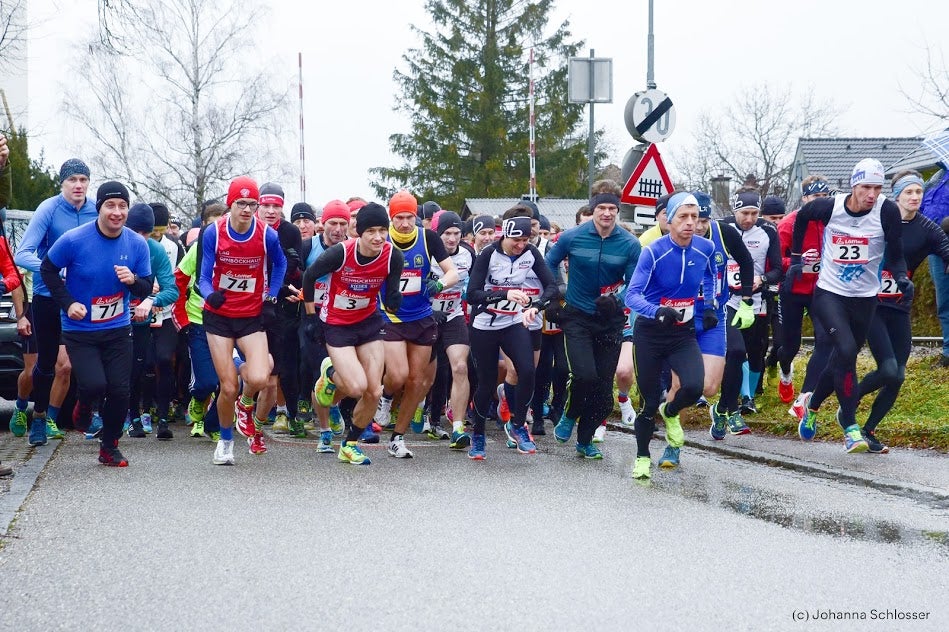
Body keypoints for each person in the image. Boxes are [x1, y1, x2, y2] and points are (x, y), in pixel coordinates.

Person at [790, 159, 910, 453]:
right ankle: (851, 428)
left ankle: (813, 406)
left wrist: (901, 278)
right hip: (830, 293)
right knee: (844, 350)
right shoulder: (830, 207)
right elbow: (802, 217)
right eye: (866, 187)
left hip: (865, 298)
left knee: (842, 360)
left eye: (877, 187)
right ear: (853, 185)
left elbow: (895, 255)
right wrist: (795, 259)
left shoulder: (887, 211)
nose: (872, 193)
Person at [40, 181, 153, 466]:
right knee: (94, 385)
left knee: (119, 390)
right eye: (110, 206)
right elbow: (48, 270)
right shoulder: (74, 239)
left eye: (123, 206)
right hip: (81, 330)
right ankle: (83, 405)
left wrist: (134, 281)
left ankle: (109, 446)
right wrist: (68, 303)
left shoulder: (137, 243)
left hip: (117, 328)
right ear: (99, 208)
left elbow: (146, 287)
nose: (117, 212)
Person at [303, 202, 404, 465]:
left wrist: (394, 297)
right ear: (358, 232)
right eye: (371, 230)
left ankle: (349, 444)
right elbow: (310, 276)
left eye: (383, 229)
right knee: (357, 387)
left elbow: (391, 293)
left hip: (369, 323)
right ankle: (330, 375)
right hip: (337, 324)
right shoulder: (341, 253)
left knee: (374, 390)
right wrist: (311, 316)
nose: (378, 237)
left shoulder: (393, 255)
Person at [547, 180, 641, 458]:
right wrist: (555, 294)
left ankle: (585, 440)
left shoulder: (629, 244)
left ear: (618, 210)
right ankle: (569, 414)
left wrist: (617, 301)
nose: (607, 213)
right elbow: (549, 262)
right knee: (585, 375)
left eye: (613, 208)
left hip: (609, 320)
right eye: (602, 207)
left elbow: (634, 282)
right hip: (577, 316)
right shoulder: (572, 237)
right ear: (593, 208)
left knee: (602, 391)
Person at [625, 192, 717, 479]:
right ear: (670, 220)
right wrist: (656, 311)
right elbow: (632, 296)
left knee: (694, 386)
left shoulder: (706, 247)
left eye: (696, 218)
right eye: (684, 217)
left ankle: (672, 411)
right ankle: (642, 456)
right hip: (651, 334)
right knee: (649, 400)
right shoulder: (653, 251)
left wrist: (710, 304)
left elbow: (711, 275)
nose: (691, 223)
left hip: (682, 332)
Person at [856, 170, 949, 452]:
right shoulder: (876, 220)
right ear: (896, 195)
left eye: (919, 192)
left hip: (899, 308)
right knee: (887, 369)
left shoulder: (927, 228)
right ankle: (850, 401)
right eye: (909, 192)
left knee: (897, 376)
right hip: (871, 306)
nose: (915, 197)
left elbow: (946, 251)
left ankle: (868, 430)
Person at [198, 176, 287, 465]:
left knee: (261, 376)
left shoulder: (266, 235)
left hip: (250, 316)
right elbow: (202, 275)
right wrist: (210, 295)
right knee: (227, 387)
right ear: (230, 204)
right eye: (241, 204)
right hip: (220, 317)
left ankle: (245, 404)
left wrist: (271, 297)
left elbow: (281, 264)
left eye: (252, 204)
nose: (247, 210)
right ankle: (225, 442)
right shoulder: (214, 232)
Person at [15, 159, 97, 444]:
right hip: (49, 297)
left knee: (87, 358)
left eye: (83, 180)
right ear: (62, 183)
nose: (78, 185)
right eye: (72, 179)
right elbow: (22, 254)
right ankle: (37, 417)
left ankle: (88, 412)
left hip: (84, 299)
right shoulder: (48, 209)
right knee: (47, 362)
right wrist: (54, 268)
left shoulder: (96, 210)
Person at [372, 190, 459, 459]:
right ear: (391, 218)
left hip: (421, 316)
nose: (406, 223)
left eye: (410, 217)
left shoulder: (428, 237)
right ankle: (385, 398)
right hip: (391, 316)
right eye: (399, 218)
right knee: (397, 375)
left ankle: (397, 438)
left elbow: (453, 272)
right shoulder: (381, 239)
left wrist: (439, 284)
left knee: (416, 381)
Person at [465, 215, 558, 459]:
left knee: (528, 371)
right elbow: (471, 295)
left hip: (513, 322)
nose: (521, 245)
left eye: (526, 240)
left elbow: (552, 287)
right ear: (505, 235)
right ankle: (478, 434)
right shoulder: (488, 255)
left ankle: (518, 425)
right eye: (516, 240)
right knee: (485, 383)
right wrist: (505, 293)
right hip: (484, 324)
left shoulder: (531, 254)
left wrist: (535, 306)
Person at [710, 191, 783, 432]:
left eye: (754, 213)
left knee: (754, 350)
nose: (749, 219)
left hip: (754, 299)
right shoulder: (722, 228)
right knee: (736, 350)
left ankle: (744, 398)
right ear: (735, 210)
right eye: (744, 213)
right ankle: (730, 406)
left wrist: (761, 279)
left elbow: (778, 270)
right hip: (726, 299)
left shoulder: (768, 231)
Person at [291, 199, 352, 450]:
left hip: (342, 317)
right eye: (332, 223)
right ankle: (325, 431)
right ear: (321, 225)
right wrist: (310, 316)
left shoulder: (353, 248)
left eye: (342, 223)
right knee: (321, 372)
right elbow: (298, 277)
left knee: (348, 373)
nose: (337, 228)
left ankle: (335, 405)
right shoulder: (308, 247)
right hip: (312, 314)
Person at [170, 202, 228, 440]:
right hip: (199, 322)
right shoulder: (198, 250)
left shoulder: (240, 249)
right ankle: (197, 398)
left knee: (230, 381)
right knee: (206, 382)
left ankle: (214, 424)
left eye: (221, 223)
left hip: (230, 324)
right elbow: (179, 281)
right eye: (211, 224)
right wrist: (182, 319)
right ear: (203, 226)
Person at [776, 176, 832, 411]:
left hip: (822, 290)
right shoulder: (789, 223)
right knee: (791, 346)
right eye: (814, 197)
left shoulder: (833, 221)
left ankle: (805, 397)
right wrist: (797, 262)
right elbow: (776, 261)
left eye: (823, 197)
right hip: (793, 290)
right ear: (805, 199)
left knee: (825, 340)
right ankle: (785, 371)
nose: (819, 202)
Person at [124, 203, 179, 440]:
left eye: (146, 233)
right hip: (127, 318)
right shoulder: (117, 246)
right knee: (137, 367)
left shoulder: (155, 250)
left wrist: (151, 299)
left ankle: (163, 418)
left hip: (158, 314)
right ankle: (134, 418)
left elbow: (172, 289)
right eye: (136, 232)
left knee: (165, 360)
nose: (141, 237)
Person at [254, 183, 304, 435]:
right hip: (249, 304)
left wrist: (284, 286)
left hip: (280, 304)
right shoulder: (248, 229)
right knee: (255, 366)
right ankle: (244, 409)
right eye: (266, 205)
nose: (271, 211)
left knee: (280, 365)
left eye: (276, 206)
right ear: (257, 206)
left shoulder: (289, 231)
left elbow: (295, 265)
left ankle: (282, 413)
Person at [425, 210, 474, 448]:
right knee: (427, 374)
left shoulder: (468, 254)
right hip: (426, 316)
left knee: (460, 366)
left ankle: (457, 427)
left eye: (456, 233)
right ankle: (427, 415)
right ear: (438, 234)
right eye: (447, 233)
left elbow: (473, 283)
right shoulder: (427, 254)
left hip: (453, 315)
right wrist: (429, 310)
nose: (452, 239)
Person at [920, 163, 949, 365]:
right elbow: (923, 208)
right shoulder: (937, 177)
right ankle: (948, 352)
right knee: (944, 302)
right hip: (937, 248)